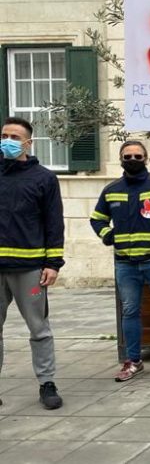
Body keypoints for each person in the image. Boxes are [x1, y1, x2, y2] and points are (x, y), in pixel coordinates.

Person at [91, 140, 150, 381]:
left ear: (146, 159)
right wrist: (107, 235)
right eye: (127, 156)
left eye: (137, 156)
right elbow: (97, 219)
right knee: (130, 311)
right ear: (121, 159)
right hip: (125, 262)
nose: (132, 160)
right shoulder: (111, 190)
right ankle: (132, 361)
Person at [0, 116, 64, 410]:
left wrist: (53, 263)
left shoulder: (44, 178)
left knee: (39, 329)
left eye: (14, 137)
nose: (8, 141)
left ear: (28, 142)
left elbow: (54, 223)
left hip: (30, 269)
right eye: (4, 135)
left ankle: (46, 383)